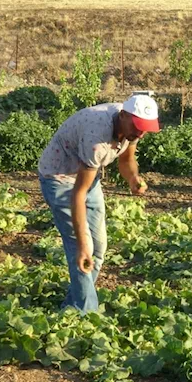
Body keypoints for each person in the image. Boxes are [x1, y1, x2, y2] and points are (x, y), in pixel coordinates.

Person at [37, 94, 160, 313]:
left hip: (86, 176)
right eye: (138, 126)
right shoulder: (97, 139)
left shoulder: (132, 127)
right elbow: (77, 194)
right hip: (60, 178)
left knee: (99, 249)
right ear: (123, 115)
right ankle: (86, 314)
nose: (140, 132)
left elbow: (126, 159)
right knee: (81, 246)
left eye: (145, 128)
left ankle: (74, 303)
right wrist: (83, 245)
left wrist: (133, 178)